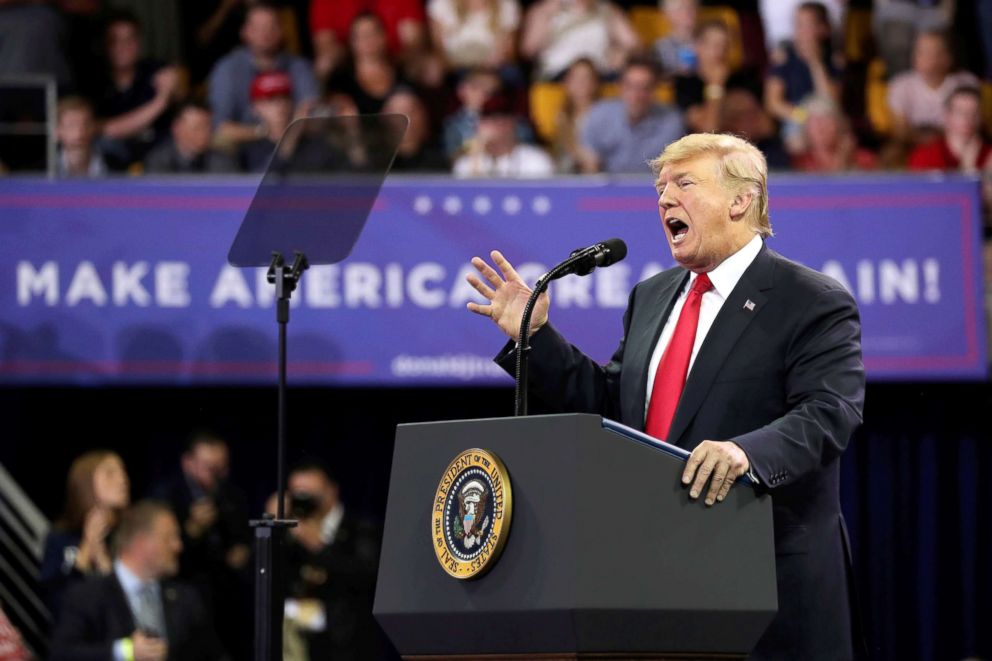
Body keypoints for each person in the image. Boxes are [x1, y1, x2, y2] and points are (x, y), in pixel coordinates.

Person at [465, 132, 865, 659]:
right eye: (659, 188)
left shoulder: (810, 299)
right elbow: (614, 410)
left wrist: (745, 453)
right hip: (661, 577)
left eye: (684, 184)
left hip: (766, 576)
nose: (664, 199)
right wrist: (535, 340)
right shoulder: (651, 297)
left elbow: (829, 411)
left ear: (741, 200)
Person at [49, 501, 225, 661]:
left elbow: (213, 655)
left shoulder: (186, 600)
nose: (178, 545)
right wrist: (124, 651)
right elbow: (62, 654)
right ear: (142, 542)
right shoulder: (88, 596)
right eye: (169, 537)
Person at [150, 432, 250, 661]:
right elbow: (160, 557)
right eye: (209, 468)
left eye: (222, 468)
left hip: (226, 601)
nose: (217, 476)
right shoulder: (167, 496)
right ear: (188, 463)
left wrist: (242, 550)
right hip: (183, 594)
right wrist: (191, 531)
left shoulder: (231, 495)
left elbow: (242, 540)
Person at [272, 462, 380, 661]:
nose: (305, 504)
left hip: (346, 647)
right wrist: (272, 527)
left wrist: (319, 546)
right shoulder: (289, 534)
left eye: (311, 496)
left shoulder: (361, 529)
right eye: (297, 497)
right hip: (295, 646)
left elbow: (367, 576)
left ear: (331, 491)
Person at [208, 2, 319, 149]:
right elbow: (219, 129)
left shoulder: (299, 67)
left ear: (281, 31)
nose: (265, 33)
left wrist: (287, 134)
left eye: (271, 26)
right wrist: (265, 131)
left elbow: (313, 116)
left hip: (295, 147)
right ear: (245, 31)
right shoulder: (227, 69)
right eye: (258, 27)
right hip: (244, 153)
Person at [41, 451, 130, 615]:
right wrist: (88, 546)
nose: (123, 479)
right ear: (86, 482)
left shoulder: (128, 537)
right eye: (110, 473)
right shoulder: (61, 538)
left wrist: (103, 560)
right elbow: (57, 601)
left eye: (123, 471)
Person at [94, 10, 180, 170]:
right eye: (115, 41)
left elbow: (181, 95)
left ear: (139, 42)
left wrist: (176, 86)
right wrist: (161, 101)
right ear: (105, 45)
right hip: (114, 161)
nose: (123, 47)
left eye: (129, 39)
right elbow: (105, 129)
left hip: (158, 156)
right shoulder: (95, 80)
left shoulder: (155, 70)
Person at [579, 59, 685, 174]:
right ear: (619, 87)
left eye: (644, 88)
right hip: (607, 189)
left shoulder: (671, 121)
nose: (636, 95)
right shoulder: (599, 115)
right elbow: (590, 168)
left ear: (654, 91)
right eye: (630, 86)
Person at [764, 1, 841, 150]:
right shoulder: (784, 59)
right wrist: (804, 117)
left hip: (827, 119)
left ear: (823, 29)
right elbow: (773, 103)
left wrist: (815, 63)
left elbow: (832, 101)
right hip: (797, 120)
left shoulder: (833, 60)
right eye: (798, 24)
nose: (801, 31)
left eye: (808, 25)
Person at [886, 30, 981, 146]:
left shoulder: (965, 82)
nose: (925, 58)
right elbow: (900, 131)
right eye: (920, 52)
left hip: (957, 145)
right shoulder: (900, 84)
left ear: (948, 57)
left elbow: (971, 125)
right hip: (912, 146)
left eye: (932, 52)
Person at [674, 20, 760, 134]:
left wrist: (710, 112)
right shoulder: (685, 83)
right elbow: (709, 130)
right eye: (715, 45)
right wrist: (716, 86)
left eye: (726, 46)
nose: (721, 52)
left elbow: (765, 126)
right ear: (698, 47)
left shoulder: (744, 77)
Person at [520, 0, 639, 81]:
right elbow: (528, 51)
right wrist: (545, 18)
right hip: (558, 75)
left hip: (600, 75)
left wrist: (622, 54)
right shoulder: (545, 9)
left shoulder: (607, 11)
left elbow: (636, 46)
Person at [453, 94, 554, 177]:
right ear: (479, 125)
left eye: (503, 119)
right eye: (490, 119)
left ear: (512, 123)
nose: (498, 125)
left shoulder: (534, 159)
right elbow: (469, 195)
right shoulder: (466, 163)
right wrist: (477, 152)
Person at [327, 12, 406, 115]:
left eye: (373, 33)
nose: (368, 40)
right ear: (352, 42)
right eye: (361, 35)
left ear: (384, 36)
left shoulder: (403, 71)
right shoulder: (340, 79)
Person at [908, 86, 992, 173]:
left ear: (981, 117)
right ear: (947, 115)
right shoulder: (924, 156)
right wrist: (968, 167)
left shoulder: (989, 155)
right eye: (960, 112)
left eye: (974, 112)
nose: (967, 118)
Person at [427, 0, 521, 74]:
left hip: (494, 71)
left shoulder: (507, 5)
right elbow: (437, 50)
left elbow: (510, 53)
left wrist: (492, 64)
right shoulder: (441, 4)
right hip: (452, 71)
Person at [792, 95, 879, 172]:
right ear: (805, 131)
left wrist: (845, 159)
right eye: (814, 123)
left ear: (840, 126)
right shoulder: (799, 162)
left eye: (826, 122)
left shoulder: (864, 159)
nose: (820, 129)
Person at [145, 102, 236, 174]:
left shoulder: (223, 163)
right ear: (176, 128)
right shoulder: (159, 162)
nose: (205, 133)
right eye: (197, 127)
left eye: (208, 127)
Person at [238, 70, 297, 173]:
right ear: (255, 108)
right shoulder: (247, 151)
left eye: (285, 97)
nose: (280, 105)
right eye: (271, 99)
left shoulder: (317, 147)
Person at [550, 57, 601, 173]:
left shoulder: (606, 116)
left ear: (595, 82)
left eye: (586, 78)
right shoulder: (561, 117)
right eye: (576, 78)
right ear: (567, 83)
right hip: (568, 174)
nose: (581, 83)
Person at [382, 88, 448, 172]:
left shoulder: (441, 158)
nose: (405, 120)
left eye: (411, 112)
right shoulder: (375, 162)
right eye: (398, 114)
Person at [54, 97, 108, 178]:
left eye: (86, 124)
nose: (79, 132)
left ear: (94, 127)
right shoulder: (40, 171)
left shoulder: (116, 167)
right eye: (71, 125)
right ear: (57, 131)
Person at [654, 0, 698, 77]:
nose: (688, 11)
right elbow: (656, 77)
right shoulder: (660, 47)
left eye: (692, 6)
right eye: (681, 8)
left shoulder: (707, 41)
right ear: (667, 14)